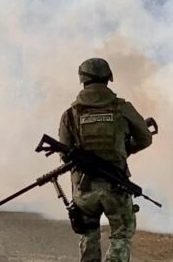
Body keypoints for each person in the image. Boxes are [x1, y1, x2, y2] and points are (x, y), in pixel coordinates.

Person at [58, 58, 153, 262]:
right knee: (121, 236)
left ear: (82, 80)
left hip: (84, 190)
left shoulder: (70, 114)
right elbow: (145, 138)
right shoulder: (122, 108)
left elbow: (65, 154)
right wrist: (124, 150)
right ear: (109, 78)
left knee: (89, 235)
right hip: (115, 186)